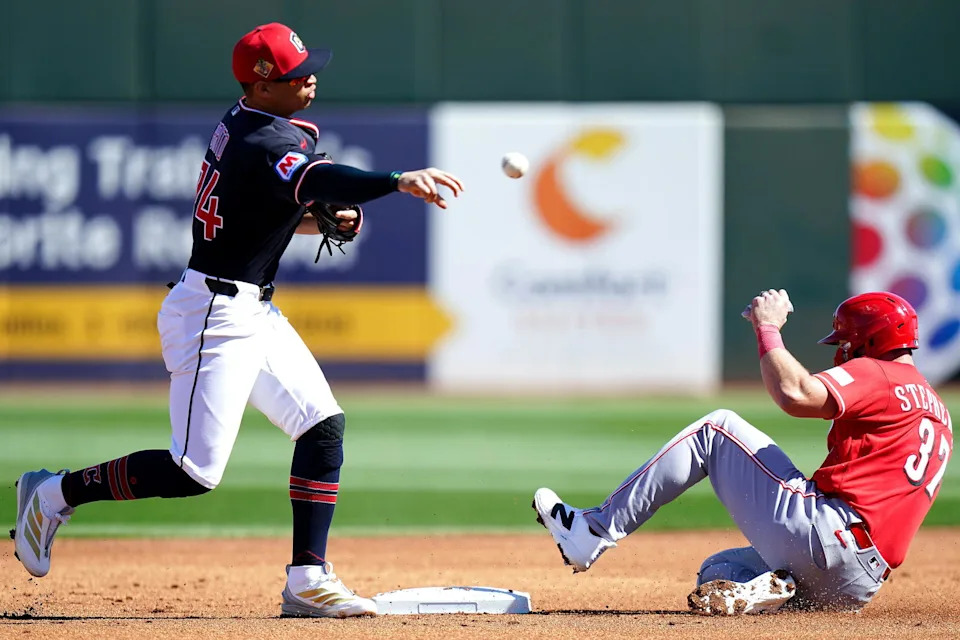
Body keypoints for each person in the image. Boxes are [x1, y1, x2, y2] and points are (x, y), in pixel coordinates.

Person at [11, 22, 463, 619]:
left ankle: (307, 579)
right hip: (213, 315)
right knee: (193, 470)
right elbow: (315, 178)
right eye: (297, 73)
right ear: (262, 82)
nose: (311, 78)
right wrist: (395, 181)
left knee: (322, 425)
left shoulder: (247, 123)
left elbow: (261, 208)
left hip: (249, 306)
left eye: (310, 67)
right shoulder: (264, 141)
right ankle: (52, 494)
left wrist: (310, 220)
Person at [533, 289, 952, 614]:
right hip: (857, 585)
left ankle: (594, 531)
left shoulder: (880, 373)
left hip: (827, 536)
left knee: (716, 429)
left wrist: (767, 328)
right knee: (719, 571)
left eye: (846, 341)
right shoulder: (938, 413)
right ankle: (777, 590)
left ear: (868, 340)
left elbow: (795, 394)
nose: (841, 350)